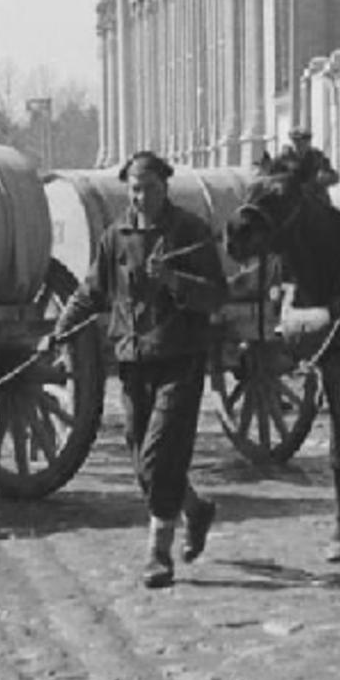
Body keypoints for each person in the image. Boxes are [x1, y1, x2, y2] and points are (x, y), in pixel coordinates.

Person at [46, 151, 227, 588]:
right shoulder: (116, 237)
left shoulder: (191, 233)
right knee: (142, 461)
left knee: (160, 454)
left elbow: (216, 296)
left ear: (165, 187)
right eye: (133, 189)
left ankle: (158, 553)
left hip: (180, 358)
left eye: (147, 188)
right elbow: (92, 292)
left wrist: (173, 282)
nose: (139, 196)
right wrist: (62, 330)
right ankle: (195, 509)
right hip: (132, 361)